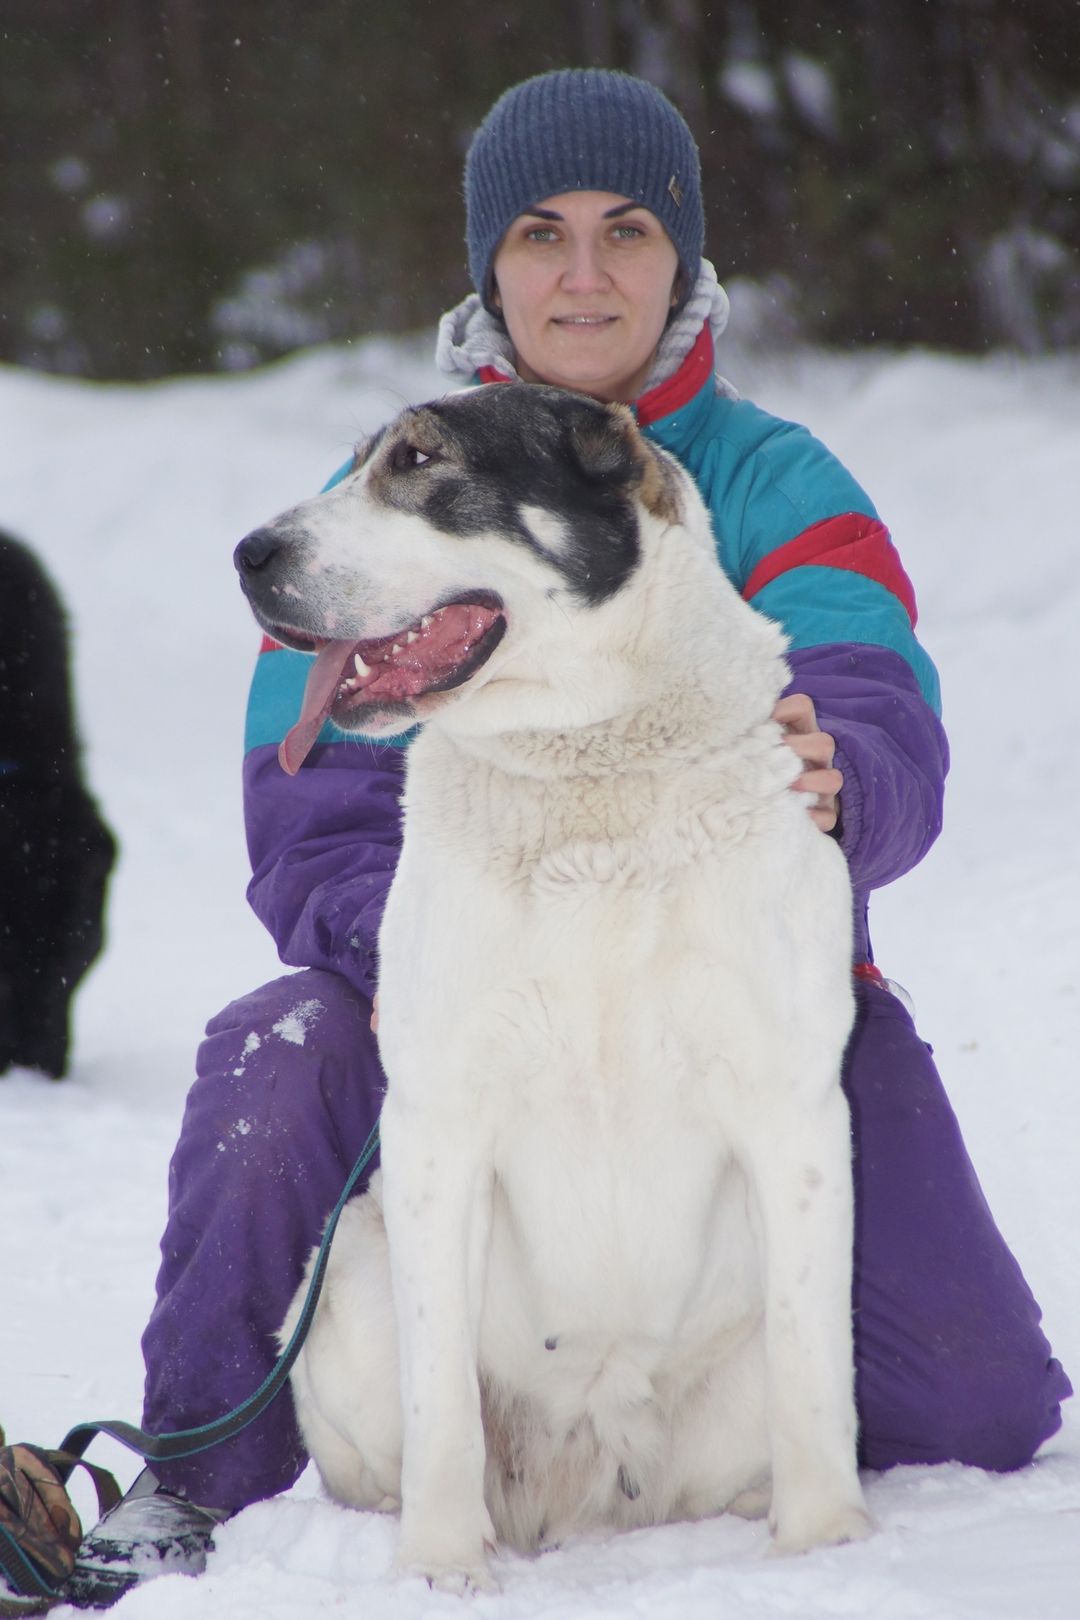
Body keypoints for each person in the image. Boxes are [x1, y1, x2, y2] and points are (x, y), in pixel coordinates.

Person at [65, 68, 1071, 1607]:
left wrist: (847, 764)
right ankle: (196, 1470)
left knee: (979, 1410)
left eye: (627, 230)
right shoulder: (387, 502)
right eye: (540, 233)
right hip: (482, 980)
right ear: (490, 264)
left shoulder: (772, 479)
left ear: (686, 260)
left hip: (736, 990)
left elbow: (873, 689)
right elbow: (308, 807)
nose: (584, 272)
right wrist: (394, 951)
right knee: (289, 1044)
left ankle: (736, 1416)